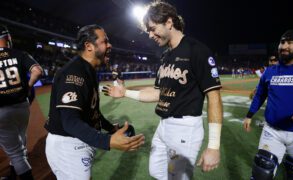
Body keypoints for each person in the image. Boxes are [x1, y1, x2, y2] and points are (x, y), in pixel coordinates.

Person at [103, 2, 223, 179]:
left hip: (184, 129)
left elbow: (214, 97)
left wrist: (213, 146)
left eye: (152, 29)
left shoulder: (196, 50)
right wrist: (125, 92)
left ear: (168, 22)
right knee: (156, 171)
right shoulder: (166, 56)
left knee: (177, 176)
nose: (150, 35)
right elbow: (157, 93)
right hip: (163, 126)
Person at [44, 24, 145, 180]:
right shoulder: (74, 74)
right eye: (105, 41)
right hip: (68, 144)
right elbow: (70, 122)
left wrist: (109, 127)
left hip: (78, 140)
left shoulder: (88, 70)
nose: (110, 45)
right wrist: (108, 140)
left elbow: (92, 111)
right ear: (89, 46)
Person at [243, 29, 293, 179]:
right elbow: (260, 95)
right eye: (282, 42)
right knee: (261, 170)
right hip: (272, 131)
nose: (284, 46)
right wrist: (249, 115)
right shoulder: (270, 72)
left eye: (290, 42)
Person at [0, 25, 43, 179]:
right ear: (7, 38)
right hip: (22, 106)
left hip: (2, 110)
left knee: (16, 154)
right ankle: (12, 176)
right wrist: (28, 86)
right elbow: (37, 71)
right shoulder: (19, 53)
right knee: (20, 141)